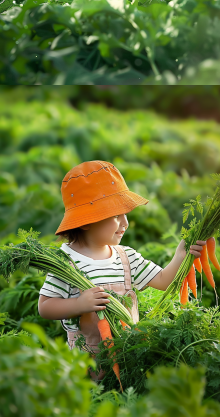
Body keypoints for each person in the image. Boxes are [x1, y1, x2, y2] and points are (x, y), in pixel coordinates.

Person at [38, 160, 206, 379]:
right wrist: (78, 304)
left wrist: (181, 255)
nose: (125, 223)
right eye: (117, 216)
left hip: (129, 360)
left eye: (125, 215)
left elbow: (164, 280)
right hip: (86, 367)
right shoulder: (64, 262)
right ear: (87, 221)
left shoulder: (126, 257)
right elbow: (45, 306)